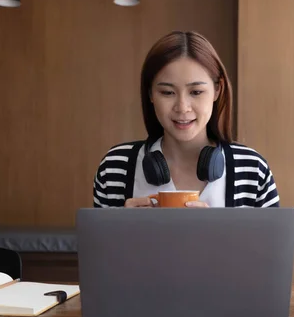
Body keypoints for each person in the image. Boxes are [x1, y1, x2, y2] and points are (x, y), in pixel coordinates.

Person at [93, 31, 279, 208]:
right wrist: (123, 229)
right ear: (150, 93)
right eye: (167, 92)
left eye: (196, 92)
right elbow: (97, 242)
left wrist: (217, 233)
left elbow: (273, 243)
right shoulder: (116, 167)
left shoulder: (252, 170)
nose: (182, 107)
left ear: (217, 90)